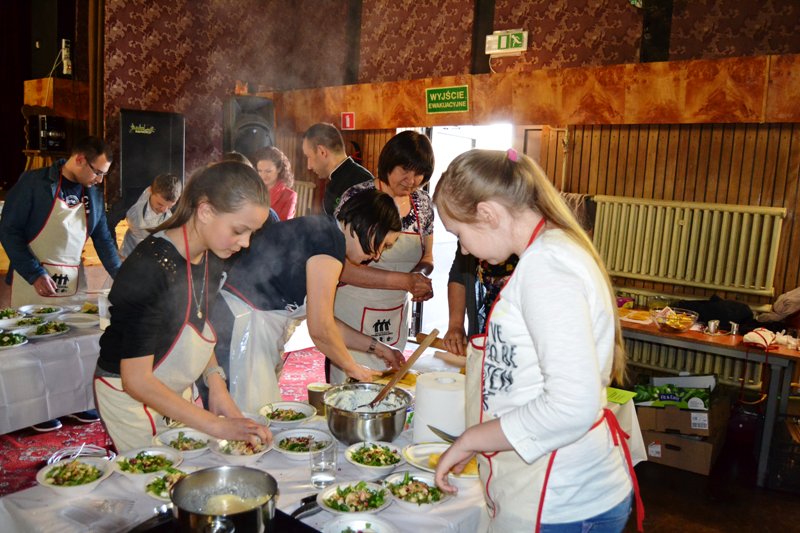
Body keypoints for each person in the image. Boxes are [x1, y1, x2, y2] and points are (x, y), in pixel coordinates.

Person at [432, 149, 642, 533]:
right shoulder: (549, 251)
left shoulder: (547, 266)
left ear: (488, 214)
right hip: (560, 488)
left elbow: (571, 406)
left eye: (459, 235)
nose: (463, 249)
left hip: (561, 497)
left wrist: (472, 439)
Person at [93, 161, 272, 452]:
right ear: (205, 211)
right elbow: (135, 380)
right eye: (240, 230)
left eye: (252, 233)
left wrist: (216, 384)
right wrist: (215, 425)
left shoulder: (211, 254)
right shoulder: (151, 268)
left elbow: (198, 325)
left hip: (173, 390)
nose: (245, 243)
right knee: (161, 476)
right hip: (130, 398)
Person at [211, 189, 404, 413]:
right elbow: (321, 329)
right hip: (241, 326)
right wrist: (353, 368)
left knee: (258, 415)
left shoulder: (326, 234)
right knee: (246, 419)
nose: (378, 256)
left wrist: (378, 348)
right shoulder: (329, 242)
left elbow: (327, 322)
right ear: (372, 228)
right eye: (385, 244)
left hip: (248, 325)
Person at [0, 136, 122, 432]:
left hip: (72, 282)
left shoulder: (92, 195)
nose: (99, 180)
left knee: (72, 346)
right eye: (97, 172)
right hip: (33, 280)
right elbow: (9, 231)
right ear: (79, 159)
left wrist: (123, 276)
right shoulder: (34, 183)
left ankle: (74, 405)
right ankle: (36, 411)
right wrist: (34, 273)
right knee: (35, 349)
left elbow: (103, 239)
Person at [330, 130, 435, 383]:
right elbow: (339, 266)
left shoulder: (422, 204)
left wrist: (418, 279)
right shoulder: (357, 197)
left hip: (395, 311)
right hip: (353, 308)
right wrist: (404, 281)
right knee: (350, 384)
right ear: (389, 162)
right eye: (405, 170)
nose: (411, 180)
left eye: (419, 173)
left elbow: (427, 256)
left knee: (389, 380)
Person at [443, 248, 518, 356]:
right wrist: (456, 325)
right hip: (482, 330)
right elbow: (459, 274)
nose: (464, 251)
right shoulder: (468, 246)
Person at [302, 123, 373, 214]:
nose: (309, 166)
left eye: (308, 156)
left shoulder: (359, 183)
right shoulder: (351, 177)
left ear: (322, 152)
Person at [120, 173, 182, 256]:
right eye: (159, 204)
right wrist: (114, 258)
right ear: (150, 191)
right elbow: (109, 225)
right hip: (130, 249)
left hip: (161, 251)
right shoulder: (131, 198)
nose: (164, 210)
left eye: (169, 206)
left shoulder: (180, 208)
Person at [253, 146, 297, 220]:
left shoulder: (289, 196)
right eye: (260, 171)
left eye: (268, 171)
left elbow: (284, 225)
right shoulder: (253, 190)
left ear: (279, 169)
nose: (263, 175)